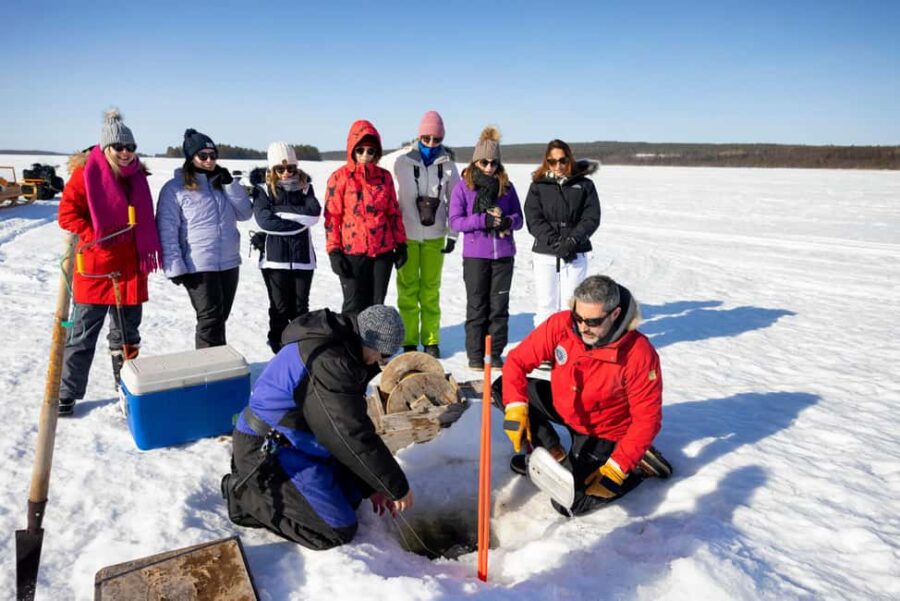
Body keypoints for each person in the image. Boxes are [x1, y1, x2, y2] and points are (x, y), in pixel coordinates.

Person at [221, 304, 415, 550]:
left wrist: (372, 485)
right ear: (368, 340)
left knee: (352, 495)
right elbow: (347, 434)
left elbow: (348, 423)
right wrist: (395, 486)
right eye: (380, 353)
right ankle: (243, 496)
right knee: (335, 529)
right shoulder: (330, 362)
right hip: (266, 450)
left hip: (299, 440)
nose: (380, 360)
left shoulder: (342, 345)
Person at [496, 275, 672, 516]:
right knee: (501, 388)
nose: (582, 326)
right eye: (578, 317)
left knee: (568, 502)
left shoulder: (639, 354)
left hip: (603, 429)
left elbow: (647, 419)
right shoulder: (562, 325)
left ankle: (638, 466)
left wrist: (616, 469)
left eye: (593, 321)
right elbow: (516, 362)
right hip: (566, 403)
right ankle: (551, 453)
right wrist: (516, 405)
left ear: (615, 314)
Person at [56, 110, 162, 416]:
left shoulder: (138, 178)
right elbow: (67, 215)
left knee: (127, 336)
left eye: (131, 148)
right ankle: (68, 393)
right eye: (119, 148)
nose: (126, 153)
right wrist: (97, 234)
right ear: (106, 148)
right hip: (95, 267)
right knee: (82, 335)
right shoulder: (85, 176)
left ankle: (126, 388)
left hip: (130, 269)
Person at [156, 129, 253, 348]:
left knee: (220, 319)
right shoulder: (175, 189)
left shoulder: (223, 184)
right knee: (209, 321)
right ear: (191, 158)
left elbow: (245, 213)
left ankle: (221, 368)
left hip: (228, 262)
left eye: (213, 155)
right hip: (198, 264)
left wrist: (230, 185)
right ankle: (209, 373)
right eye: (203, 156)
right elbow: (167, 229)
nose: (209, 160)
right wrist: (174, 266)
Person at [448, 126, 523, 369]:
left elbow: (519, 219)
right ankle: (475, 355)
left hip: (503, 255)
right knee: (477, 306)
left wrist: (507, 221)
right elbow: (455, 221)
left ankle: (495, 353)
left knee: (499, 308)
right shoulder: (463, 187)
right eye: (484, 162)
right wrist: (484, 220)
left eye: (493, 162)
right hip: (476, 257)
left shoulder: (507, 188)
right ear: (475, 161)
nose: (489, 167)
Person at [393, 111, 460, 358]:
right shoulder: (401, 163)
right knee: (407, 289)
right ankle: (410, 341)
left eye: (436, 139)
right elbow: (393, 201)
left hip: (435, 235)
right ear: (419, 135)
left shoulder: (450, 166)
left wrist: (453, 235)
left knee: (430, 290)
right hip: (407, 235)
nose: (431, 143)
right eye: (426, 137)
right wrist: (394, 236)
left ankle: (431, 340)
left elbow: (455, 202)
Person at [324, 120, 407, 315]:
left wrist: (401, 244)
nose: (365, 156)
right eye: (360, 150)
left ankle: (372, 345)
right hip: (352, 252)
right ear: (352, 150)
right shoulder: (340, 177)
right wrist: (334, 251)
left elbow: (393, 212)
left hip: (382, 252)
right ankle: (352, 344)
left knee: (376, 306)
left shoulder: (384, 177)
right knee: (353, 305)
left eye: (370, 151)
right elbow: (332, 218)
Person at [251, 142, 321, 353]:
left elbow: (314, 215)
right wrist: (298, 220)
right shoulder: (262, 190)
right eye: (280, 169)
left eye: (290, 168)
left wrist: (280, 212)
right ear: (272, 169)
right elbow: (265, 221)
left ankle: (300, 346)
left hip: (303, 258)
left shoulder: (306, 187)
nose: (286, 173)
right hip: (274, 259)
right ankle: (279, 347)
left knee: (301, 308)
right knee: (280, 308)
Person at [524, 139, 600, 331]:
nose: (558, 165)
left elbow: (591, 217)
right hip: (545, 252)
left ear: (570, 160)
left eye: (562, 160)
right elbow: (533, 219)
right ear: (546, 162)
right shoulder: (538, 185)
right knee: (546, 305)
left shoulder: (584, 185)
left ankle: (569, 347)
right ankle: (545, 351)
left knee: (572, 305)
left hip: (575, 252)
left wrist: (573, 240)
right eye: (552, 161)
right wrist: (555, 242)